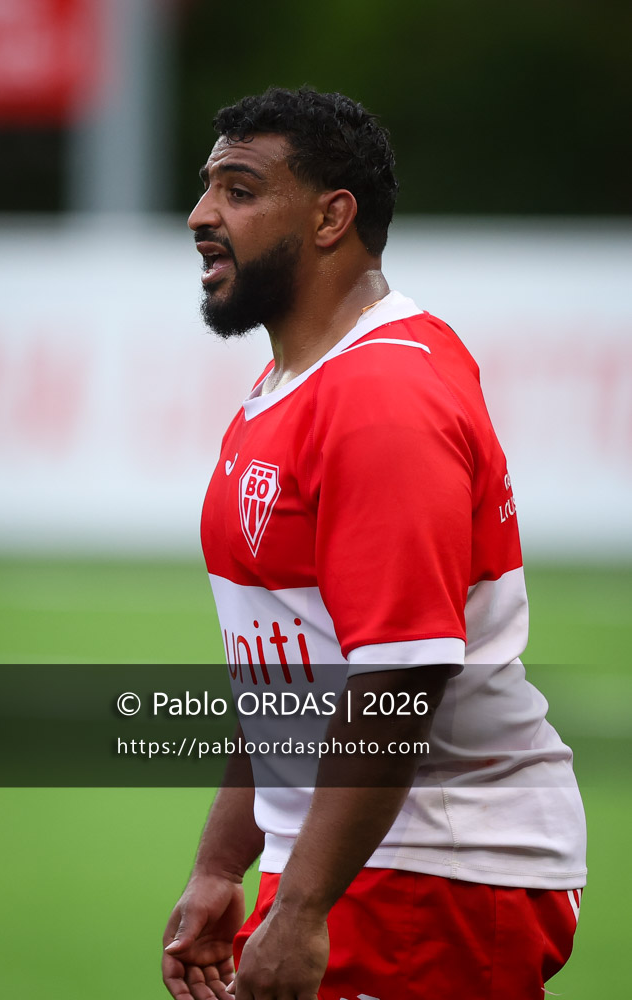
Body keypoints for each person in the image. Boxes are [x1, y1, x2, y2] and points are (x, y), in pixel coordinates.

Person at [162, 87, 586, 1000]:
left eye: (238, 190)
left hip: (429, 871)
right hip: (353, 856)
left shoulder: (380, 396)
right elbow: (288, 668)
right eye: (206, 189)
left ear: (330, 217)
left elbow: (399, 676)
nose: (200, 216)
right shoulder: (289, 384)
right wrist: (224, 864)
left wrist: (305, 906)